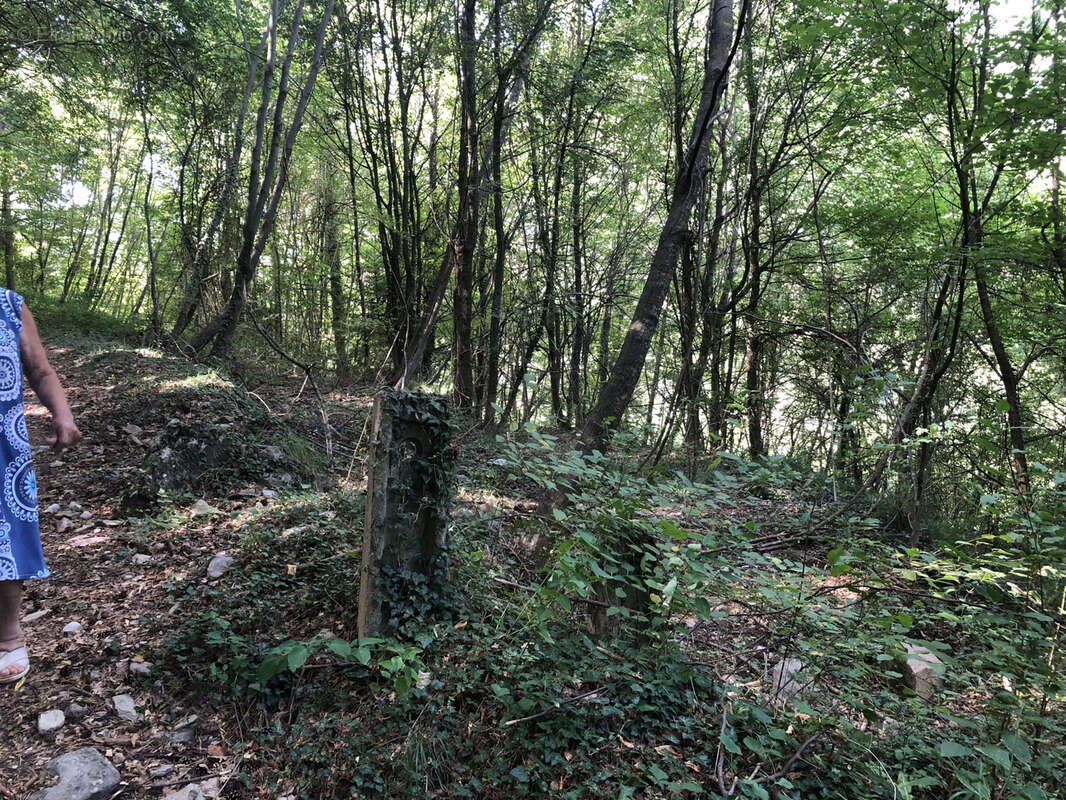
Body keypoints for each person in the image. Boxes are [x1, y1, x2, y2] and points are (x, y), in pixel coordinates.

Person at [0, 291, 80, 684]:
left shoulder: (8, 305)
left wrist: (62, 414)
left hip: (2, 445)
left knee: (5, 532)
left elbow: (39, 369)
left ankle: (7, 636)